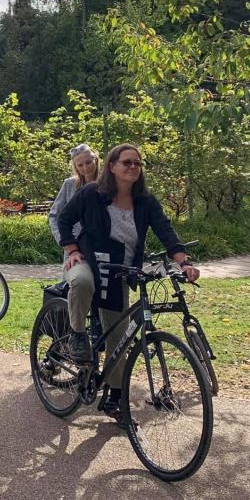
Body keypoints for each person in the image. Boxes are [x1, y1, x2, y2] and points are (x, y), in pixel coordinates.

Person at [57, 142, 199, 424]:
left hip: (120, 270)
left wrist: (183, 262)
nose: (133, 166)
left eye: (137, 163)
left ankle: (113, 397)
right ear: (112, 166)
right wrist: (72, 250)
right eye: (127, 162)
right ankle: (76, 334)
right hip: (86, 260)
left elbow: (166, 232)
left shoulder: (146, 201)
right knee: (82, 282)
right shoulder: (90, 194)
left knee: (118, 337)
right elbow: (63, 219)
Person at [48, 143, 100, 254]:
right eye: (80, 165)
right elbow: (54, 215)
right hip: (75, 249)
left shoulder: (108, 185)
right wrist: (65, 242)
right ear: (75, 166)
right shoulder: (69, 184)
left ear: (96, 159)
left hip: (103, 247)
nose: (85, 168)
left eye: (88, 162)